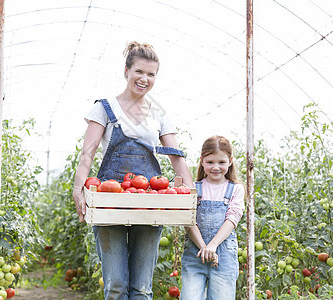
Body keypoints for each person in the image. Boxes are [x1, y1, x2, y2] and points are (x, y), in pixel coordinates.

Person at [72, 41, 193, 299]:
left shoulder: (159, 114)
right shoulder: (104, 108)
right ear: (126, 70)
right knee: (115, 286)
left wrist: (191, 195)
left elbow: (176, 156)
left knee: (142, 288)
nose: (144, 79)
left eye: (151, 74)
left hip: (150, 198)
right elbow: (88, 153)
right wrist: (78, 189)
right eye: (139, 71)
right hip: (109, 197)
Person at [180, 135, 245, 300]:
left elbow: (232, 219)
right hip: (196, 253)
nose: (216, 167)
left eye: (221, 162)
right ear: (202, 161)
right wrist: (205, 248)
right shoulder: (194, 188)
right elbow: (189, 221)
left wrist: (213, 245)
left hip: (223, 257)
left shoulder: (235, 189)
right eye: (210, 162)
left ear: (230, 161)